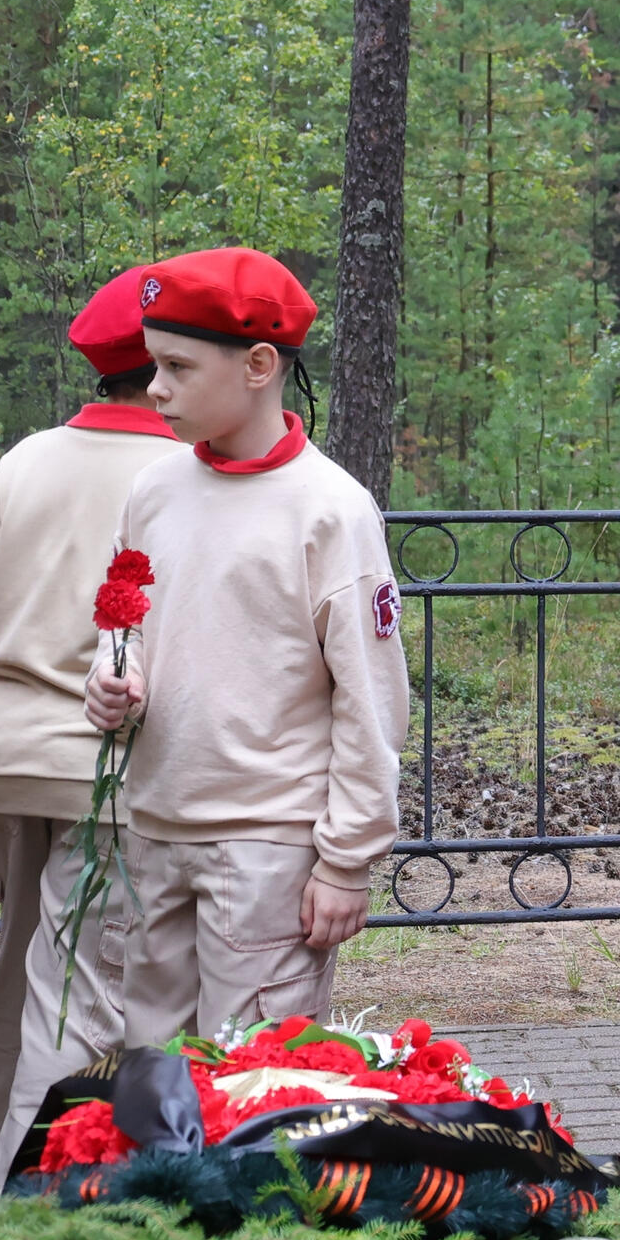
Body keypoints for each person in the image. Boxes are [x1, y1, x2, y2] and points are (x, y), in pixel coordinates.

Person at [83, 248, 410, 1052]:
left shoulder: (330, 510)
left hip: (269, 851)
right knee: (153, 1075)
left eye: (176, 367)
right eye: (153, 365)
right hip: (152, 831)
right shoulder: (153, 490)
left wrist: (346, 860)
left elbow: (371, 700)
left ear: (260, 365)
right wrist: (112, 675)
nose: (154, 388)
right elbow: (123, 612)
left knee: (254, 1082)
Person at [0, 271, 184, 1180]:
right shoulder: (182, 474)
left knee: (33, 967)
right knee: (83, 996)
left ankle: (20, 1153)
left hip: (11, 764)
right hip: (116, 772)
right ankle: (43, 1188)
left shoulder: (25, 460)